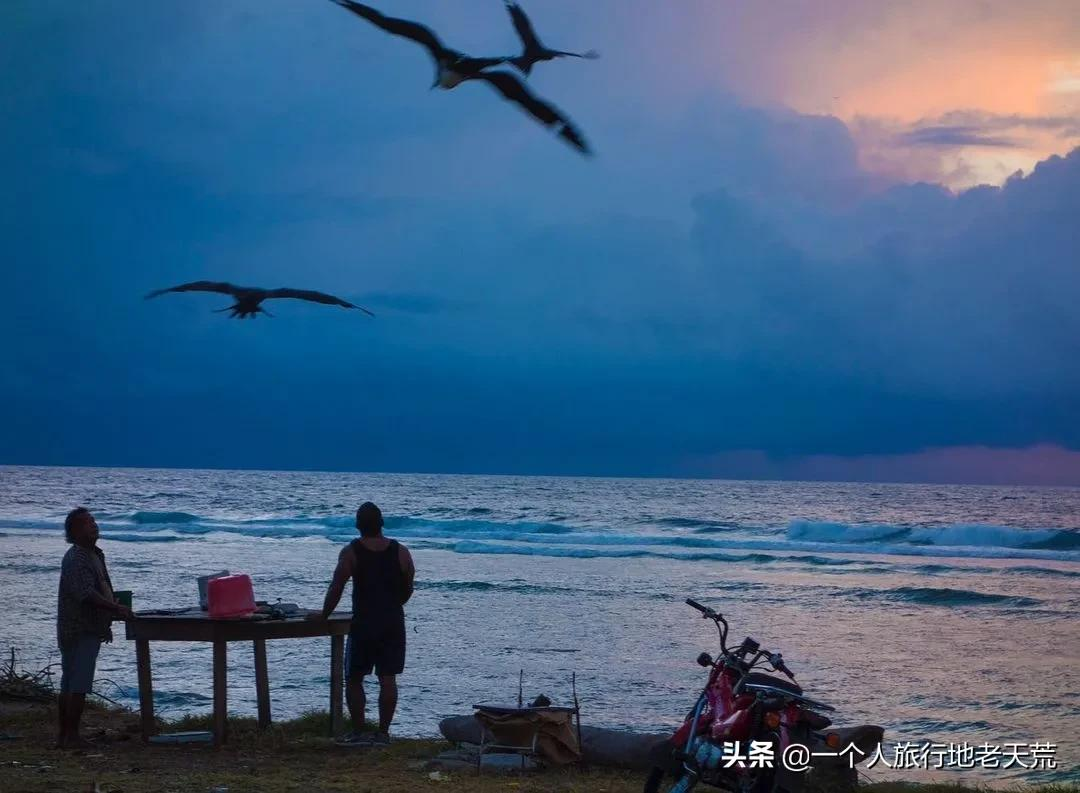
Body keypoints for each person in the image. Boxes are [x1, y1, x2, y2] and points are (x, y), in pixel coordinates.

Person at [310, 501, 415, 744]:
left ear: (358, 525)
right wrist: (394, 604)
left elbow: (337, 587)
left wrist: (324, 614)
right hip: (392, 621)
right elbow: (408, 587)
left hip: (364, 622)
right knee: (388, 679)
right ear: (381, 524)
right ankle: (383, 732)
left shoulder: (351, 552)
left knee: (355, 677)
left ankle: (358, 731)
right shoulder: (401, 551)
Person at [56, 507, 132, 749]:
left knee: (72, 682)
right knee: (77, 684)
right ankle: (70, 736)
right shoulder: (77, 557)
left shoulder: (94, 554)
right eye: (88, 523)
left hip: (89, 627)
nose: (94, 525)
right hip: (79, 628)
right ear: (75, 531)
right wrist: (113, 608)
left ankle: (66, 735)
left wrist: (111, 610)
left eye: (94, 521)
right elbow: (86, 593)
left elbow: (99, 588)